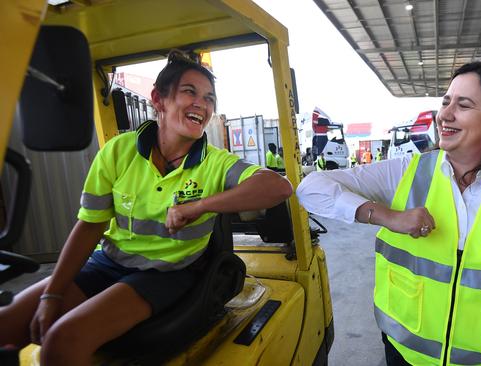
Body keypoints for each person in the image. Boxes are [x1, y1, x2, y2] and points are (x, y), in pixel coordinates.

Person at [0, 51, 292, 365]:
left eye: (209, 98)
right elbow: (89, 225)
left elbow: (278, 187)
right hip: (108, 262)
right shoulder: (119, 151)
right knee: (7, 323)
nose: (202, 104)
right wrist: (51, 294)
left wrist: (200, 205)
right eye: (189, 92)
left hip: (167, 273)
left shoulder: (215, 163)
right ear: (159, 99)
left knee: (62, 341)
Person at [297, 62, 481, 366]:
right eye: (446, 101)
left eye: (464, 104)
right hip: (404, 355)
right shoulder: (406, 172)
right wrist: (386, 216)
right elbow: (311, 188)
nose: (445, 114)